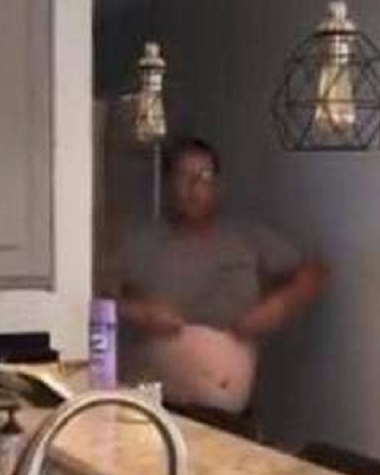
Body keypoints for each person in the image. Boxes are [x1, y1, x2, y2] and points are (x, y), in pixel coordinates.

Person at [116, 137, 326, 436]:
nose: (193, 188)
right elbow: (97, 297)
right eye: (183, 176)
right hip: (152, 415)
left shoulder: (246, 237)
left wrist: (279, 306)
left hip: (230, 421)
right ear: (168, 184)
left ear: (218, 185)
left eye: (203, 177)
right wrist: (140, 312)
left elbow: (314, 271)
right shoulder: (140, 243)